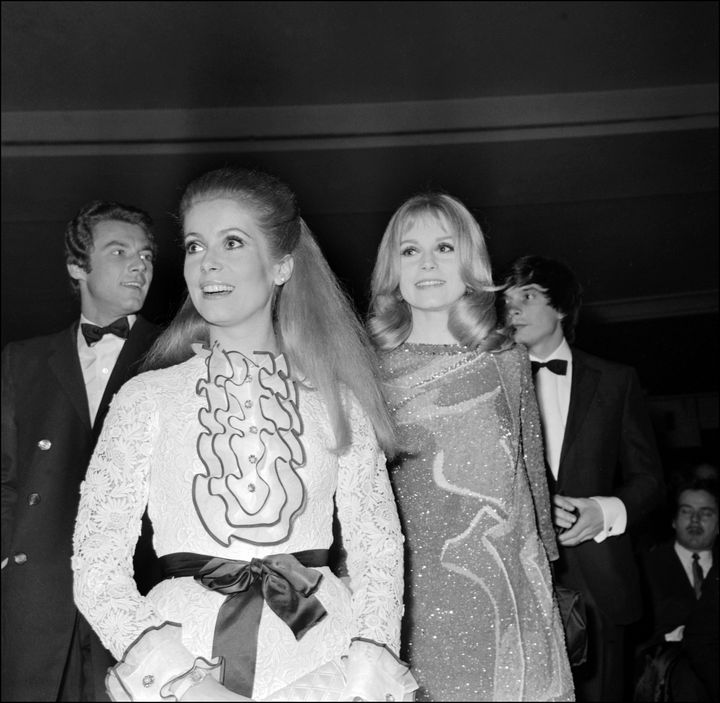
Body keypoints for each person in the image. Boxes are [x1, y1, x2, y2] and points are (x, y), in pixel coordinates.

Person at [72, 167, 416, 701]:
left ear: (282, 265)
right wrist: (184, 684)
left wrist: (361, 678)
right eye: (193, 245)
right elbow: (96, 565)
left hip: (326, 659)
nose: (207, 261)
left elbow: (378, 552)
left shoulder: (337, 400)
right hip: (183, 664)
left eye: (232, 242)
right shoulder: (146, 400)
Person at [368, 192, 574, 701]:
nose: (428, 263)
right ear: (391, 267)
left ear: (471, 262)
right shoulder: (365, 369)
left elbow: (528, 480)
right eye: (410, 251)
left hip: (505, 595)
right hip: (407, 599)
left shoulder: (506, 360)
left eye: (444, 247)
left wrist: (543, 577)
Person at [1, 200, 162, 701]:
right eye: (119, 251)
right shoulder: (22, 361)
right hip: (39, 595)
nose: (139, 265)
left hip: (141, 591)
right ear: (78, 267)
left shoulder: (177, 353)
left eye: (147, 255)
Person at [502, 255, 664, 702]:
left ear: (560, 309)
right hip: (514, 576)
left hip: (599, 580)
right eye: (507, 300)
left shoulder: (616, 381)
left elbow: (650, 478)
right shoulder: (486, 385)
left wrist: (604, 511)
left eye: (527, 297)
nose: (511, 309)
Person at [635, 476, 718, 701]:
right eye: (686, 511)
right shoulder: (646, 566)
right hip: (664, 678)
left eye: (706, 513)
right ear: (673, 520)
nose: (695, 519)